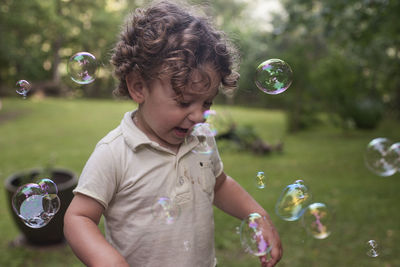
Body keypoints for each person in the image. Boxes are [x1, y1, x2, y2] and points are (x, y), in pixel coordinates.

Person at [64, 1, 282, 266]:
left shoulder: (201, 138)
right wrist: (109, 261)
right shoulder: (114, 153)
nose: (197, 115)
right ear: (138, 87)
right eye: (184, 101)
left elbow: (219, 183)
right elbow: (79, 217)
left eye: (207, 103)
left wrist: (255, 214)